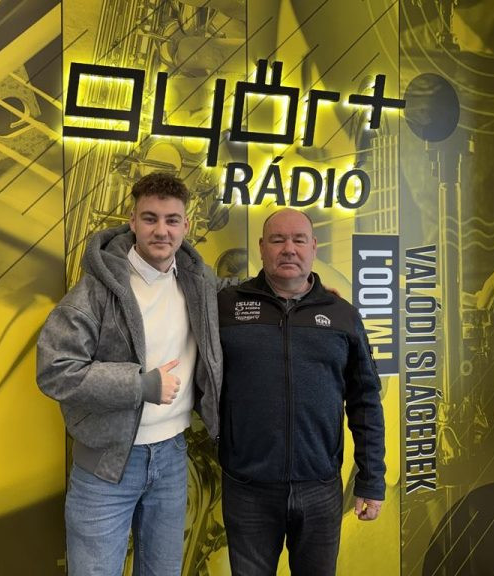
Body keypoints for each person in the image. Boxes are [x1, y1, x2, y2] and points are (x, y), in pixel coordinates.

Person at [35, 171, 222, 576]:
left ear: (186, 226)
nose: (161, 230)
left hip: (173, 457)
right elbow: (55, 369)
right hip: (106, 464)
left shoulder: (198, 281)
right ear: (132, 221)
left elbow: (236, 290)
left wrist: (307, 291)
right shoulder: (95, 290)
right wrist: (140, 385)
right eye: (150, 218)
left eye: (172, 220)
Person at [217, 208, 386, 576]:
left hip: (319, 488)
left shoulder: (342, 315)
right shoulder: (226, 307)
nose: (288, 249)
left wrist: (372, 479)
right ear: (262, 247)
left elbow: (365, 401)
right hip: (248, 489)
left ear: (314, 246)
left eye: (298, 240)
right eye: (277, 240)